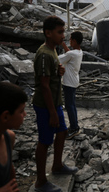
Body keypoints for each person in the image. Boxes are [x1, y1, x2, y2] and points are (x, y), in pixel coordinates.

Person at [33, 16, 78, 192]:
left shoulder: (53, 51)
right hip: (45, 105)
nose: (63, 35)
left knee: (62, 131)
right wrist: (52, 112)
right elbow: (43, 86)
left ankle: (57, 165)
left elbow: (50, 77)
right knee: (44, 141)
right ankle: (40, 182)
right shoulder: (44, 54)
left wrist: (59, 71)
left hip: (54, 102)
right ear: (48, 33)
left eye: (63, 31)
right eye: (60, 32)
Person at [59, 31, 83, 139]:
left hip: (68, 82)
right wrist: (64, 45)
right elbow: (69, 54)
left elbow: (57, 59)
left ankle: (74, 128)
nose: (69, 42)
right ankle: (75, 126)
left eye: (70, 40)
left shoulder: (71, 54)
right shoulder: (78, 52)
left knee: (69, 106)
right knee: (72, 105)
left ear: (74, 41)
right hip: (74, 81)